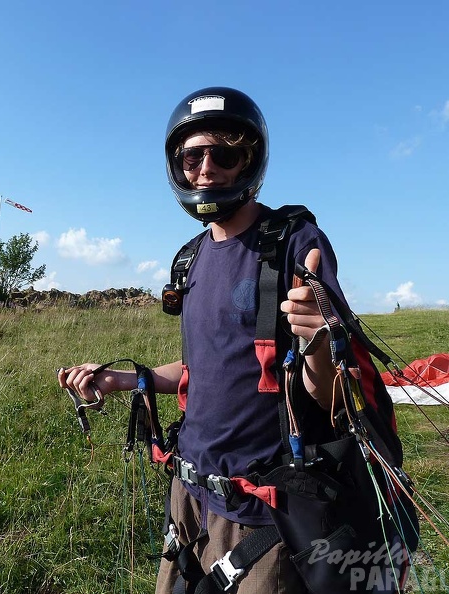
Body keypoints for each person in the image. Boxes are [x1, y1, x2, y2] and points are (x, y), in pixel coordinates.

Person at [58, 87, 383, 593]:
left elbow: (332, 398)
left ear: (248, 162)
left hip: (262, 510)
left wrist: (317, 335)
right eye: (192, 156)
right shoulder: (189, 258)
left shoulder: (294, 242)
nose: (205, 168)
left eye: (223, 154)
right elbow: (199, 370)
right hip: (187, 497)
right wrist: (126, 378)